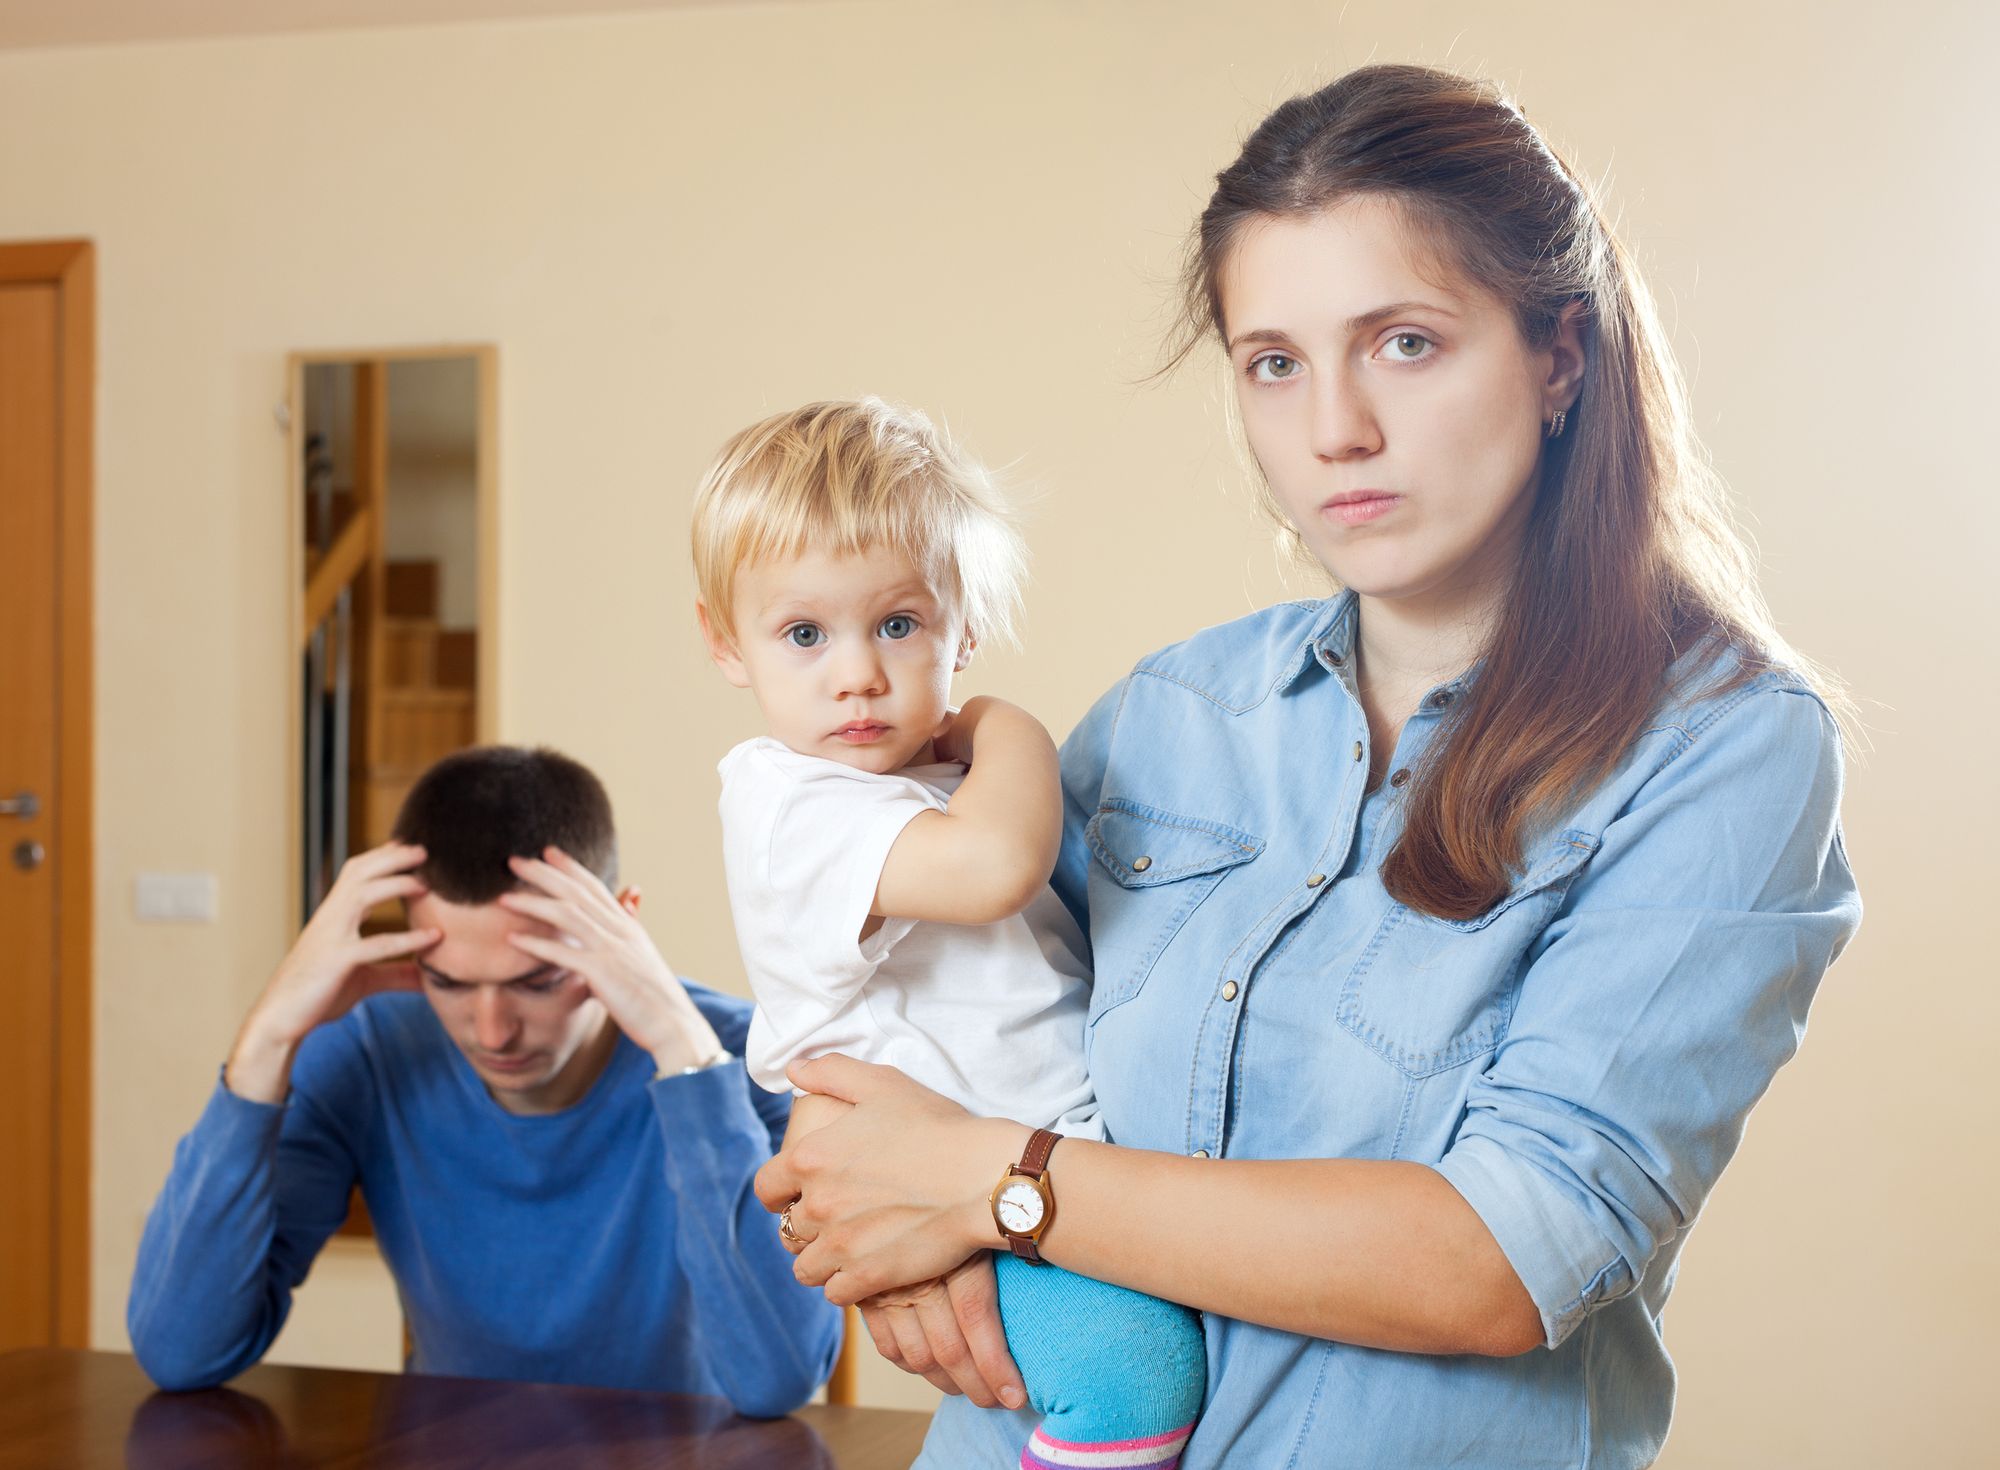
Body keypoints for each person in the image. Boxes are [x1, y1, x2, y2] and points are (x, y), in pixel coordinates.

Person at [753, 64, 1863, 1467]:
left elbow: (1505, 1257)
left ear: (1560, 356)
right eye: (1274, 361)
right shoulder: (1173, 711)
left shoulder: (1724, 747)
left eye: (1404, 342)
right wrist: (890, 1246)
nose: (1334, 426)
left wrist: (996, 1189)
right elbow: (913, 1025)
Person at [692, 398, 1205, 1470]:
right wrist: (1005, 725)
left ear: (961, 627)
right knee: (1134, 1382)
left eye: (897, 624)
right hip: (961, 1198)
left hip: (1035, 1178)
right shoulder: (788, 801)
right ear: (723, 643)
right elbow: (992, 868)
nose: (857, 674)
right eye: (802, 633)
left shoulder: (925, 788)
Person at [128, 745, 841, 1415]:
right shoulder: (370, 1051)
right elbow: (182, 1352)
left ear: (620, 925)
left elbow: (777, 1377)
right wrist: (268, 1039)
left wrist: (685, 1055)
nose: (493, 1030)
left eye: (537, 981)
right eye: (448, 982)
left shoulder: (749, 1059)